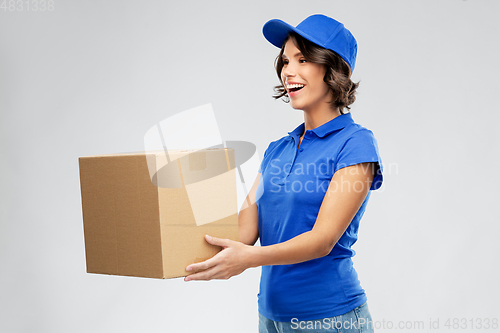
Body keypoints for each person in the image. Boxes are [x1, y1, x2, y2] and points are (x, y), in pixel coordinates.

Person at [185, 14, 383, 333]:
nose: (287, 71)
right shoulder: (277, 149)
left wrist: (249, 258)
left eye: (302, 59)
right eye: (285, 60)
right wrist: (174, 231)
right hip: (271, 319)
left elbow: (322, 240)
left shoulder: (355, 144)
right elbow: (244, 232)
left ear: (334, 69)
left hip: (330, 320)